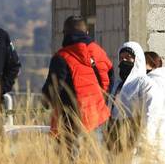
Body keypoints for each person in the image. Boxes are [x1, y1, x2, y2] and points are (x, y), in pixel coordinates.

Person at [109, 43, 165, 164]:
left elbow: (152, 114)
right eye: (121, 58)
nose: (124, 61)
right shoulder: (119, 86)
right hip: (123, 147)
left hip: (144, 147)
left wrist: (143, 142)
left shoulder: (145, 84)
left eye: (129, 58)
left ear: (138, 60)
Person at [42, 15, 113, 155]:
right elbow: (109, 79)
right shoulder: (99, 52)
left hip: (71, 121)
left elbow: (52, 89)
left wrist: (46, 104)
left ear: (65, 34)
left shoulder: (61, 57)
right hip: (97, 117)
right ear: (87, 33)